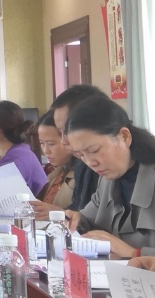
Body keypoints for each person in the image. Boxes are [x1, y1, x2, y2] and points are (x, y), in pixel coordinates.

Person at [64, 97, 155, 258]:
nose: (90, 162)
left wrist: (134, 253)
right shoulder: (107, 180)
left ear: (124, 137)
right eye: (81, 155)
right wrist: (76, 220)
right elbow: (88, 218)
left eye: (94, 150)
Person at [51, 85, 108, 211]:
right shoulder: (81, 164)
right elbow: (79, 210)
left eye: (67, 131)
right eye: (60, 132)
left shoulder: (112, 167)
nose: (63, 141)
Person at [29, 112, 76, 216]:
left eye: (51, 144)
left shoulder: (83, 175)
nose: (46, 150)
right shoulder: (56, 172)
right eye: (42, 143)